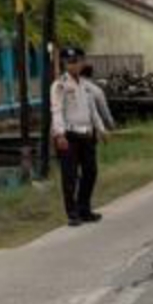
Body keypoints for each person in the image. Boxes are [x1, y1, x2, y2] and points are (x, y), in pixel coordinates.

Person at [51, 47, 106, 226]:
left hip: (87, 134)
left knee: (91, 171)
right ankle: (72, 213)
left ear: (82, 62)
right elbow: (56, 111)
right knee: (70, 175)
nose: (74, 65)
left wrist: (101, 129)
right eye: (70, 62)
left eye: (77, 61)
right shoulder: (60, 85)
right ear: (65, 64)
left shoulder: (85, 85)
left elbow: (92, 110)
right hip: (69, 135)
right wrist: (59, 134)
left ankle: (84, 209)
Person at [79, 63, 115, 136]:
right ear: (92, 74)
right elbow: (104, 110)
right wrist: (111, 124)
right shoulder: (96, 90)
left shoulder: (70, 87)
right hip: (90, 128)